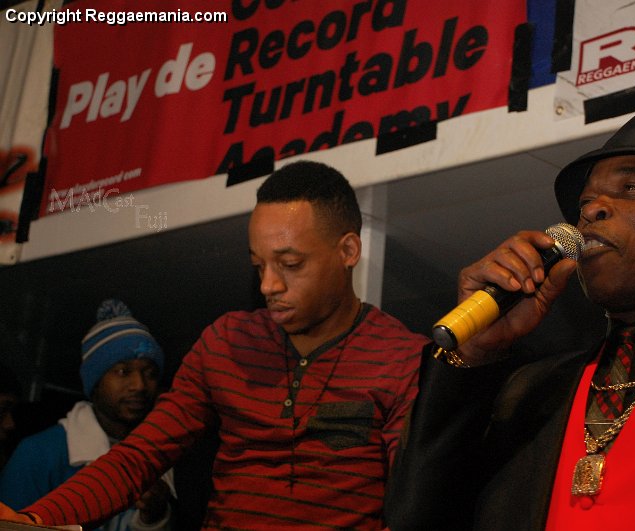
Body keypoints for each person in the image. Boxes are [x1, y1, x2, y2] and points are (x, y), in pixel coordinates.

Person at [385, 108, 635, 530]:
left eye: (631, 188)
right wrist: (473, 356)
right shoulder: (532, 390)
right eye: (585, 203)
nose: (591, 210)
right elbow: (417, 520)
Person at [0, 161, 427, 530]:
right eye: (258, 265)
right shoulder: (226, 343)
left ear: (348, 250)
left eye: (290, 264)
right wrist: (36, 520)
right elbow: (139, 457)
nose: (268, 285)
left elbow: (417, 500)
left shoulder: (403, 358)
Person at [0, 299, 175, 531]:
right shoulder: (40, 454)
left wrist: (154, 517)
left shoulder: (162, 455)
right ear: (95, 382)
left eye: (150, 373)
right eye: (123, 371)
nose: (139, 385)